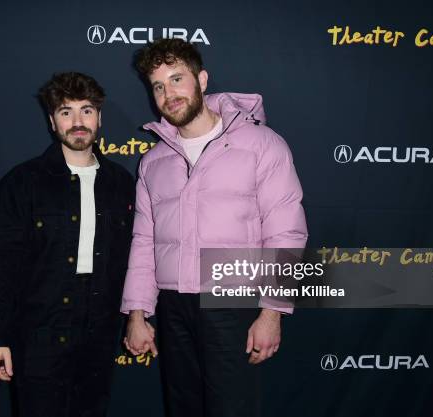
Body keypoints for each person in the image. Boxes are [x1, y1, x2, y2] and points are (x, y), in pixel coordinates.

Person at [121, 39, 308, 417]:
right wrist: (138, 312)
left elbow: (286, 233)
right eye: (158, 86)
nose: (168, 93)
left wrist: (272, 312)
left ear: (202, 80)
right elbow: (144, 241)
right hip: (173, 306)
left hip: (233, 299)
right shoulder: (153, 161)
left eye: (177, 79)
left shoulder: (262, 145)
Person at [0, 72, 135, 417]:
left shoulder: (121, 184)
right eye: (66, 112)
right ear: (52, 121)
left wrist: (139, 316)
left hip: (99, 335)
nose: (78, 122)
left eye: (87, 110)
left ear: (99, 117)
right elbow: (0, 267)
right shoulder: (21, 183)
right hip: (38, 336)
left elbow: (136, 260)